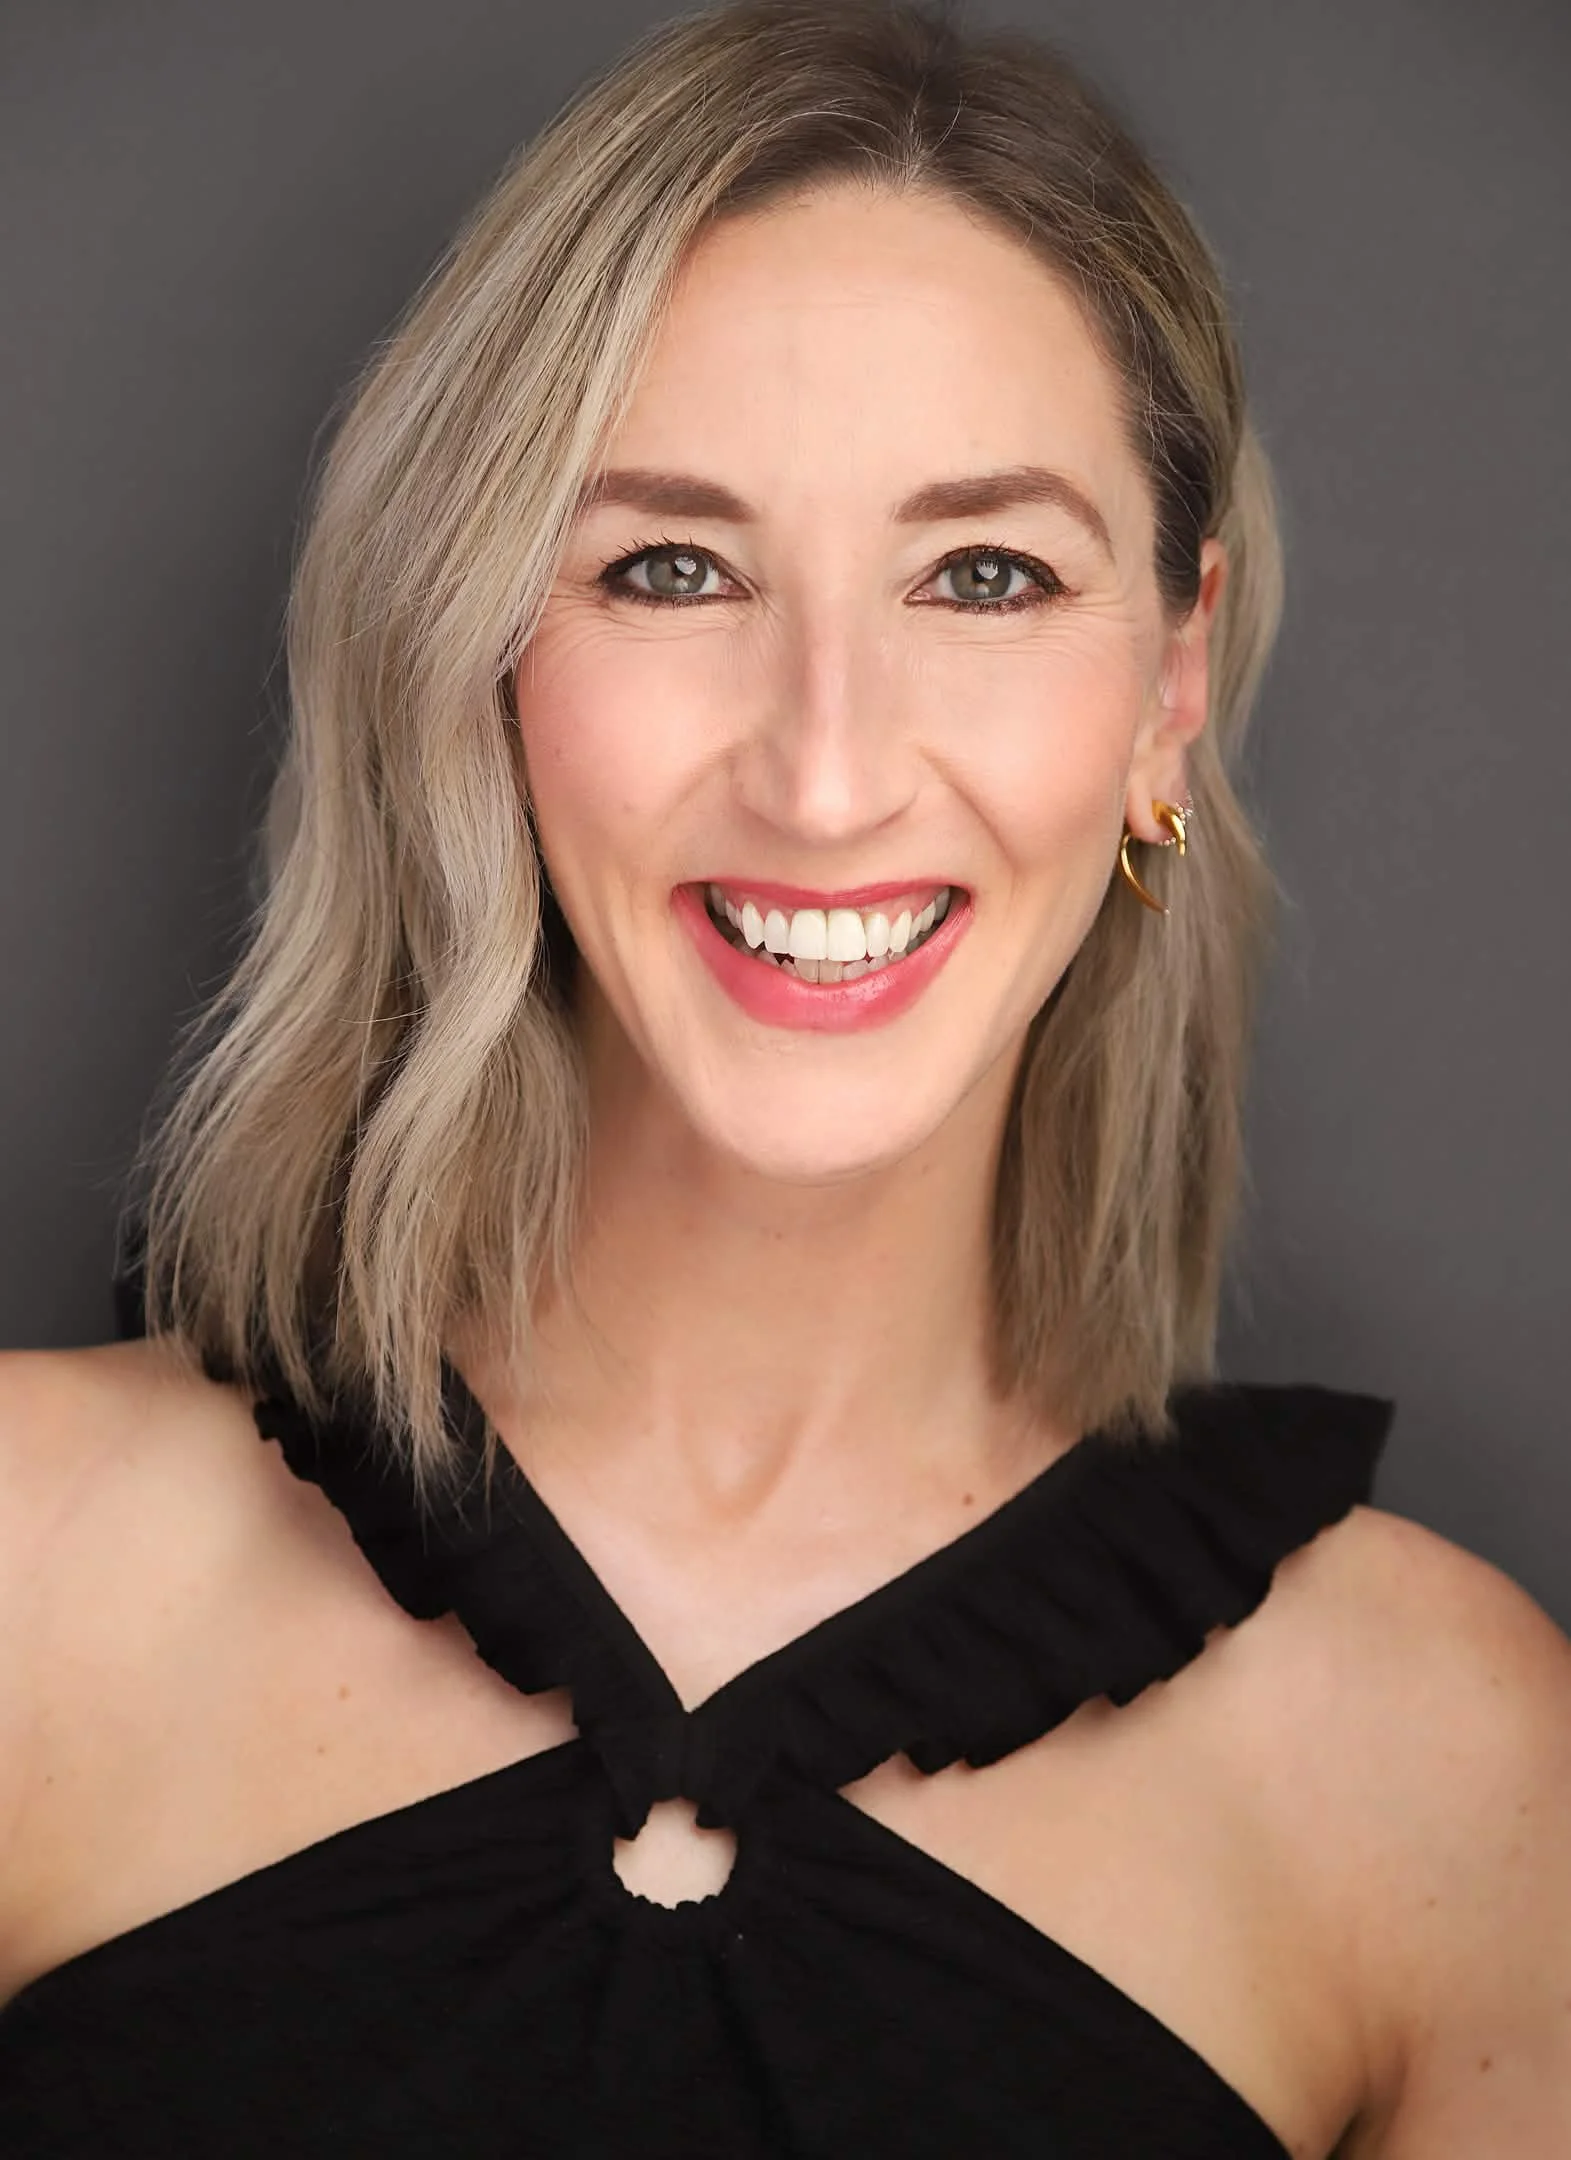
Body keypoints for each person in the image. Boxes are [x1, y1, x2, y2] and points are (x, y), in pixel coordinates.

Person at [1, 1, 1567, 2152]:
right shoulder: (28, 1572)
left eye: (985, 576)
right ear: (480, 653)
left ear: (1167, 684)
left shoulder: (1460, 1779)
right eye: (670, 568)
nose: (824, 776)